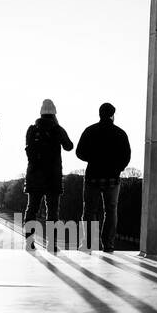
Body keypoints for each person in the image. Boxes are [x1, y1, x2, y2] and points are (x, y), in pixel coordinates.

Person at [75, 102, 131, 252]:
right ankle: (108, 244)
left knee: (89, 211)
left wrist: (93, 159)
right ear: (113, 115)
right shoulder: (120, 133)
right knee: (111, 211)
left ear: (100, 114)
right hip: (112, 177)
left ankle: (88, 243)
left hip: (93, 175)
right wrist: (118, 168)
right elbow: (126, 156)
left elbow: (79, 152)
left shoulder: (90, 131)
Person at [22, 99, 73, 250]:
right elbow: (69, 146)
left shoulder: (32, 129)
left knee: (32, 209)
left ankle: (29, 242)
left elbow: (28, 149)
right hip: (52, 176)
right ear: (54, 113)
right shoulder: (57, 129)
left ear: (41, 113)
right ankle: (52, 244)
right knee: (52, 212)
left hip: (35, 175)